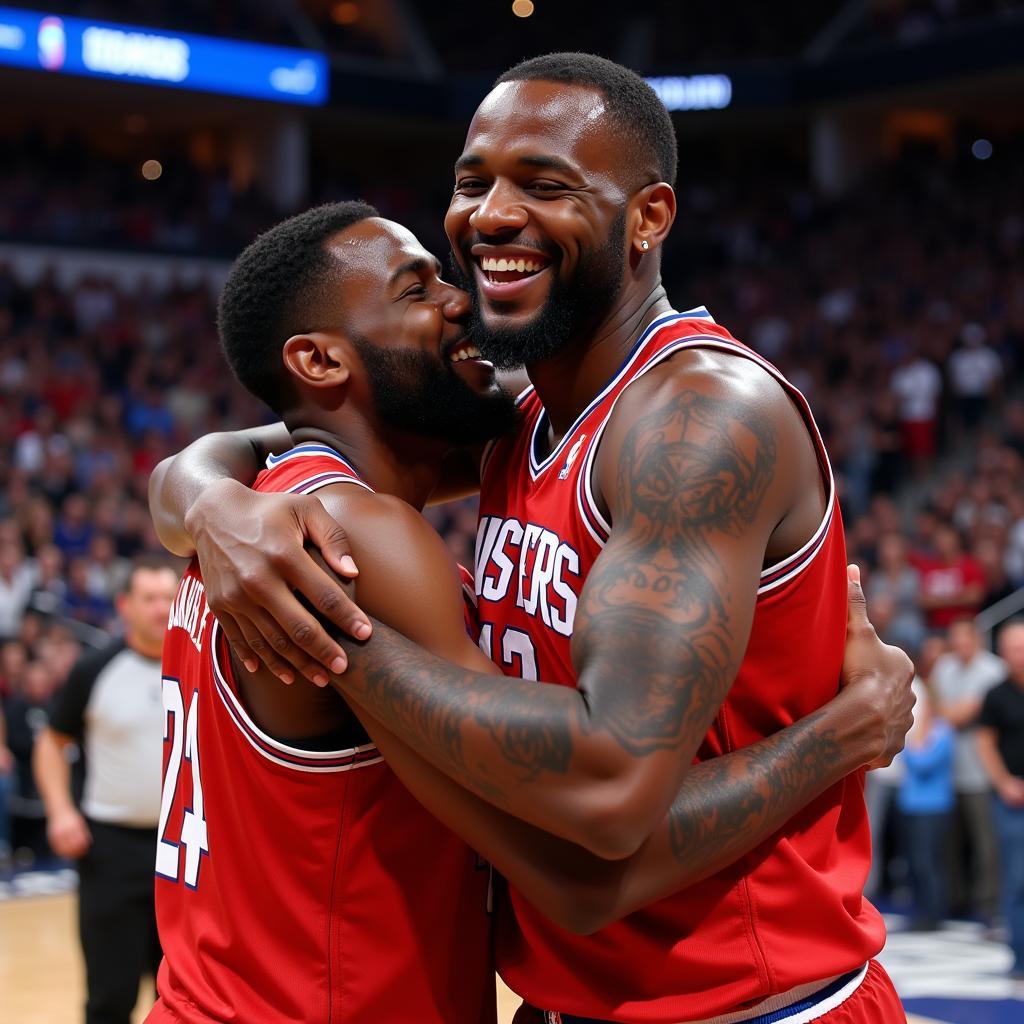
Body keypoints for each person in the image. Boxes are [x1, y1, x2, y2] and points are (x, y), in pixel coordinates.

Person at [150, 55, 914, 1024]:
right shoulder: (519, 418)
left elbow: (603, 808)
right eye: (473, 183)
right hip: (567, 991)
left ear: (648, 218)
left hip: (747, 999)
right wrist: (208, 493)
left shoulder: (696, 419)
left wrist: (333, 636)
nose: (493, 215)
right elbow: (295, 431)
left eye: (544, 184)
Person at [33, 556, 178, 1024]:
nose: (161, 608)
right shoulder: (95, 669)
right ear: (125, 606)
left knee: (182, 994)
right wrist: (60, 812)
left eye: (168, 598)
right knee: (110, 996)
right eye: (150, 599)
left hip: (183, 851)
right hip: (110, 849)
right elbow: (52, 743)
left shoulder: (204, 666)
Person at [931, 618, 1005, 921]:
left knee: (986, 842)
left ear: (977, 640)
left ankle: (989, 904)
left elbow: (961, 714)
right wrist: (951, 710)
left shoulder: (993, 669)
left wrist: (951, 710)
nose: (960, 646)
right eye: (955, 640)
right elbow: (936, 707)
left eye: (965, 640)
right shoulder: (944, 666)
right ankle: (955, 901)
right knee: (950, 841)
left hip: (980, 770)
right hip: (945, 770)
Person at [976, 620, 1024, 980]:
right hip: (1011, 799)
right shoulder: (995, 694)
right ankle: (1019, 955)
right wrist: (1004, 782)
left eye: (1022, 648)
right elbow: (985, 743)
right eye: (1011, 649)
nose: (1017, 655)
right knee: (1016, 877)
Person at [897, 681, 955, 931]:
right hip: (910, 804)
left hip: (934, 806)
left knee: (928, 860)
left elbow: (922, 764)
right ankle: (919, 909)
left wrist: (915, 744)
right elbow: (904, 756)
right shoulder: (919, 733)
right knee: (914, 861)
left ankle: (934, 912)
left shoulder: (943, 733)